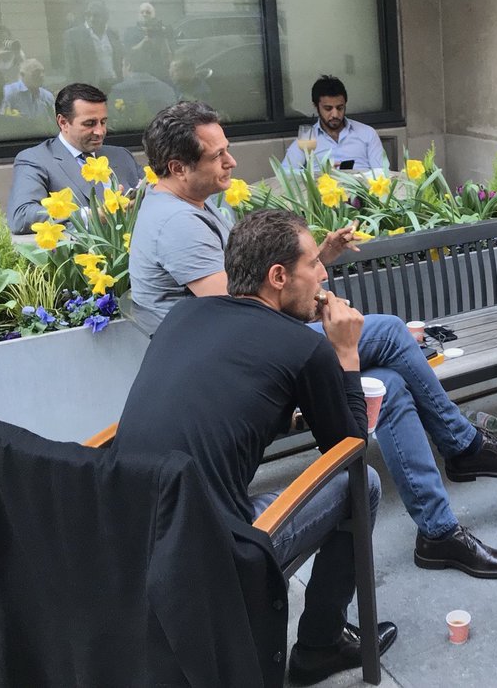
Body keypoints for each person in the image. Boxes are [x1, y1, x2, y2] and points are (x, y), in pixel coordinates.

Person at [130, 102, 497, 579]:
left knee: (389, 388)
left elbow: (261, 287)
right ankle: (463, 444)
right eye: (218, 156)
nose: (231, 162)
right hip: (237, 379)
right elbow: (246, 314)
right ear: (178, 167)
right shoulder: (176, 225)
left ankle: (439, 533)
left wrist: (316, 257)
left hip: (241, 362)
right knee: (388, 331)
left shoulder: (192, 207)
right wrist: (341, 348)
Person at [114, 209, 395, 684]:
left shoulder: (183, 314)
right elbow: (347, 448)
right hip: (210, 552)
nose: (324, 275)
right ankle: (321, 645)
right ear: (278, 276)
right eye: (313, 264)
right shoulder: (303, 347)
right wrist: (345, 353)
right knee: (363, 484)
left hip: (123, 529)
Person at [6, 83, 140, 233]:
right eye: (89, 124)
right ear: (63, 122)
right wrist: (91, 216)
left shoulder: (122, 156)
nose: (100, 131)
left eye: (103, 122)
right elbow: (22, 216)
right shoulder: (36, 159)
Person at [281, 75, 387, 170]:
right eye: (328, 109)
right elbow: (286, 173)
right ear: (316, 106)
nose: (335, 114)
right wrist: (319, 175)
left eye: (340, 108)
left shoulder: (367, 133)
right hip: (321, 184)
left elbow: (382, 172)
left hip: (362, 184)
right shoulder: (307, 138)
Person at [64, 0, 123, 89]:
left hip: (114, 84)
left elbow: (119, 59)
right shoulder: (74, 35)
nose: (92, 19)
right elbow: (71, 69)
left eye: (96, 15)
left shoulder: (112, 33)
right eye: (88, 15)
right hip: (90, 87)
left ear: (105, 17)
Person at [122, 2, 173, 82]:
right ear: (138, 15)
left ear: (154, 15)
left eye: (148, 12)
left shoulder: (162, 31)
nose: (144, 14)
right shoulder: (130, 32)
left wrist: (162, 35)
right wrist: (144, 42)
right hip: (138, 74)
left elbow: (169, 54)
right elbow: (129, 52)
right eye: (142, 12)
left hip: (159, 73)